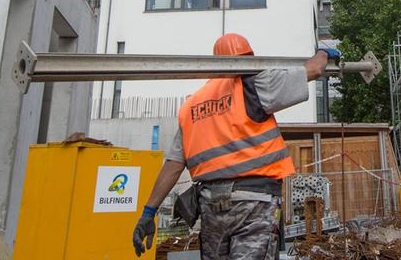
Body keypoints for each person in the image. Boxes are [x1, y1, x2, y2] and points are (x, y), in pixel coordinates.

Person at [131, 34, 335, 259]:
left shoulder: (192, 105)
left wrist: (149, 212)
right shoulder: (254, 83)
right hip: (254, 202)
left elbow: (173, 165)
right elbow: (314, 70)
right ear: (248, 57)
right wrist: (324, 53)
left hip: (211, 204)